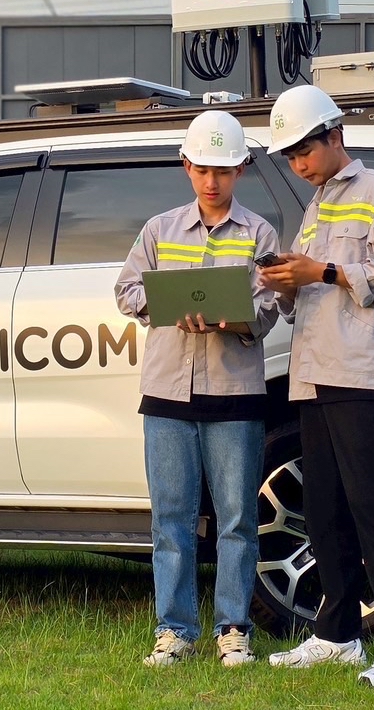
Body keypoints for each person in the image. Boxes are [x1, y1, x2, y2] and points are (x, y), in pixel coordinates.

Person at [256, 84, 374, 690]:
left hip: (365, 372)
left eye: (305, 149)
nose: (298, 163)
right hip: (316, 372)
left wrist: (323, 270)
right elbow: (313, 288)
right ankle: (336, 635)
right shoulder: (316, 207)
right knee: (324, 507)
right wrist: (288, 281)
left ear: (335, 135)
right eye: (290, 156)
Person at [114, 109, 281, 668]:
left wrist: (233, 319)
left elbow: (269, 309)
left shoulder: (259, 234)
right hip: (167, 394)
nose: (213, 181)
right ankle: (175, 631)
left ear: (241, 171)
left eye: (224, 170)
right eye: (204, 169)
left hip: (235, 394)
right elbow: (127, 290)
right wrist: (166, 305)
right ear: (186, 166)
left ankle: (233, 630)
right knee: (171, 520)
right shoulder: (158, 230)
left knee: (237, 519)